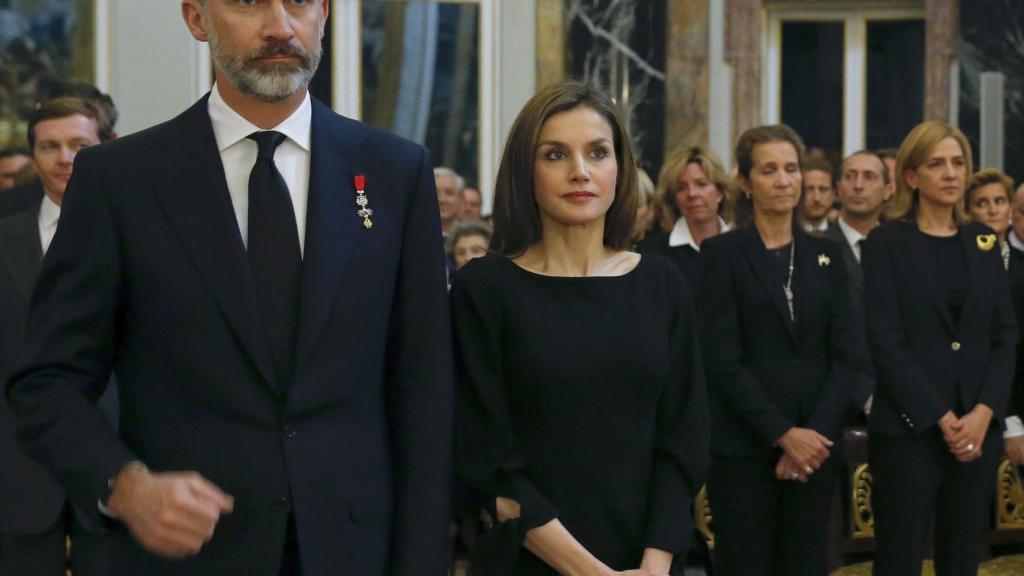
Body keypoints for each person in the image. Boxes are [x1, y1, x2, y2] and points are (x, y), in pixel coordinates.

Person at [6, 1, 454, 574]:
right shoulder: (120, 180)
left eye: (298, 2)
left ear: (323, 14)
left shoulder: (396, 172)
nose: (278, 26)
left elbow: (423, 392)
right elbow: (47, 381)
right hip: (185, 555)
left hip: (353, 549)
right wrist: (124, 486)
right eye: (247, 2)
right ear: (196, 19)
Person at [452, 80, 709, 575]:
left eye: (597, 153)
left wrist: (655, 565)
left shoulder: (661, 284)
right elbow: (487, 460)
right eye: (555, 155)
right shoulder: (485, 288)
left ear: (620, 168)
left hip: (651, 561)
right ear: (525, 170)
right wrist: (592, 573)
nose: (580, 172)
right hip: (531, 563)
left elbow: (684, 443)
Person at [699, 124, 857, 576]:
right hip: (744, 451)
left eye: (792, 168)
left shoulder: (827, 257)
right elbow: (720, 359)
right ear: (746, 183)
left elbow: (846, 358)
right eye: (769, 170)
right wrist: (784, 435)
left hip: (816, 451)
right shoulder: (722, 255)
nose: (784, 180)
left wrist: (813, 439)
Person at [863, 121, 1017, 576]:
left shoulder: (983, 242)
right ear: (911, 177)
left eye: (957, 163)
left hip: (976, 432)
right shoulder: (886, 243)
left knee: (961, 559)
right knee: (899, 558)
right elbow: (884, 340)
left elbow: (1005, 336)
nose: (951, 174)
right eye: (937, 164)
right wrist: (941, 417)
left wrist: (985, 411)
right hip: (909, 432)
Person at [0, 97, 117, 576]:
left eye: (78, 144)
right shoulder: (3, 238)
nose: (64, 157)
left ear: (106, 147)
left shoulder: (142, 234)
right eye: (49, 146)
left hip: (119, 464)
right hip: (17, 468)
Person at [823, 149, 891, 415]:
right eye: (850, 177)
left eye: (869, 177)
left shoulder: (900, 249)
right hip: (837, 405)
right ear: (838, 189)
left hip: (900, 401)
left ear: (888, 190)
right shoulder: (817, 250)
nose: (858, 185)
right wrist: (863, 393)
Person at [637, 146, 732, 293]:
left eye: (701, 184)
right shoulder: (650, 254)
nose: (692, 194)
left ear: (720, 192)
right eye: (681, 188)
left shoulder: (742, 248)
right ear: (673, 198)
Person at [797, 155, 835, 234]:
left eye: (823, 189)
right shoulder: (786, 235)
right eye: (809, 189)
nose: (816, 198)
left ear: (833, 194)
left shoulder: (844, 238)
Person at [435, 166, 466, 237]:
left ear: (461, 199)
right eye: (435, 193)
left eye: (449, 193)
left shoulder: (471, 237)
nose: (442, 200)